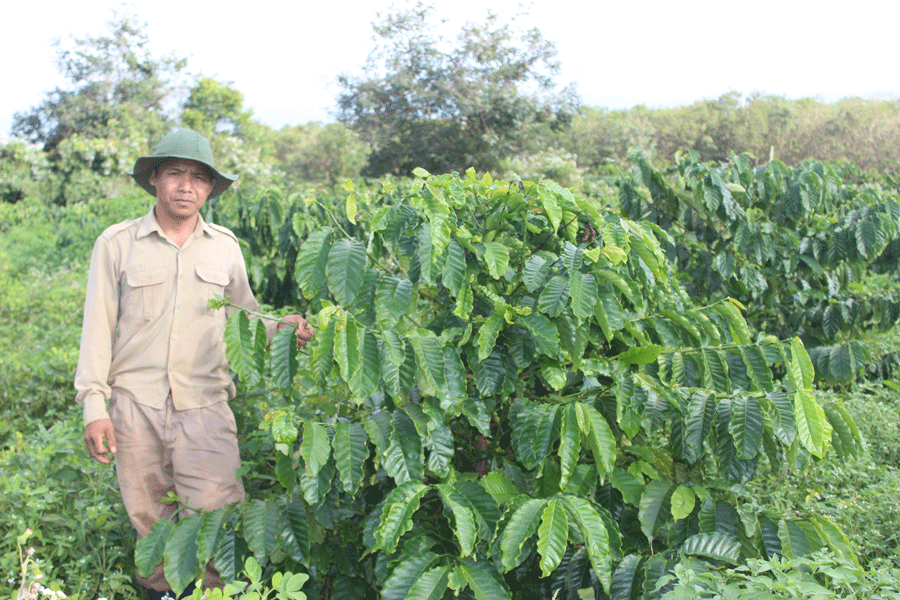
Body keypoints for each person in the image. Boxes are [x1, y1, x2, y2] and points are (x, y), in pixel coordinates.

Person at [74, 129, 314, 599]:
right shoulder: (117, 243)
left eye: (199, 178)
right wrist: (94, 406)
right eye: (176, 174)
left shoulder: (224, 246)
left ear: (209, 189)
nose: (186, 186)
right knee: (151, 522)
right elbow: (96, 329)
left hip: (204, 406)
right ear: (156, 180)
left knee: (216, 518)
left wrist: (281, 326)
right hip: (134, 406)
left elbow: (241, 318)